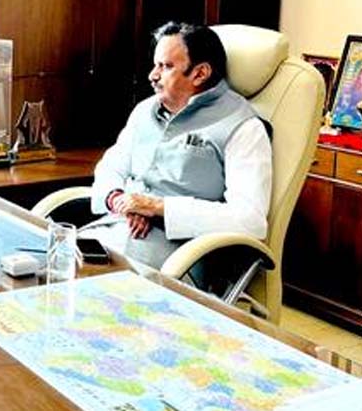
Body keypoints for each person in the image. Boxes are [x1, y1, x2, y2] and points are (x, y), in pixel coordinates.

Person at [88, 22, 272, 271]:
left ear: (200, 73)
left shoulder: (243, 127)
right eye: (156, 65)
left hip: (176, 257)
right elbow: (111, 167)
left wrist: (156, 207)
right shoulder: (145, 110)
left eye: (165, 66)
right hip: (111, 232)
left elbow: (250, 220)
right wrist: (119, 200)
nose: (152, 75)